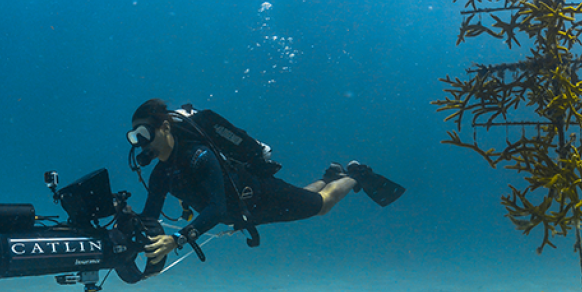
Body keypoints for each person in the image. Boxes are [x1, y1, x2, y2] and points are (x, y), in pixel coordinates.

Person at [126, 98, 400, 263]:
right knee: (304, 195)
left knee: (322, 204)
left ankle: (354, 175)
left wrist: (177, 239)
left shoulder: (199, 156)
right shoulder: (160, 173)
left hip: (259, 194)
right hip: (247, 212)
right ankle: (330, 176)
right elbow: (150, 217)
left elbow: (216, 208)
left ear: (164, 127)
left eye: (144, 133)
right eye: (135, 137)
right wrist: (128, 220)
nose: (140, 143)